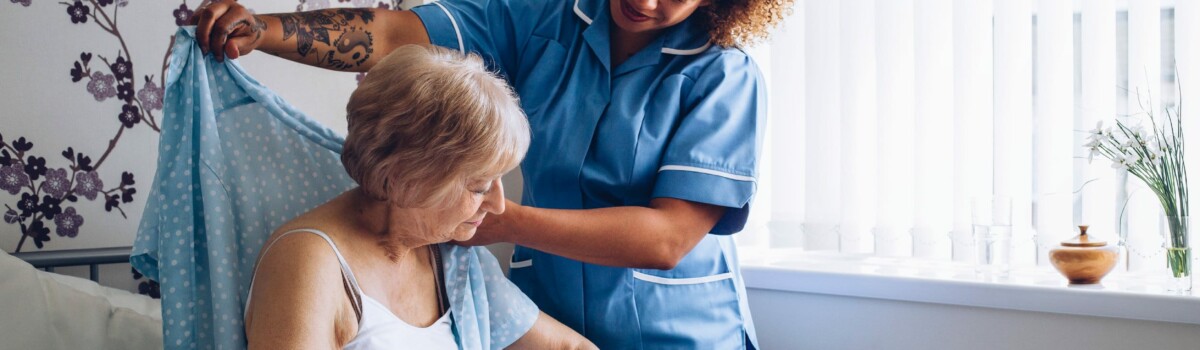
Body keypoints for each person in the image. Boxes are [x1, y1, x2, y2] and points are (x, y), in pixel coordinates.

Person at [197, 0, 791, 347]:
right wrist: (261, 31)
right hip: (550, 311)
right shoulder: (544, 20)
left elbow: (666, 239)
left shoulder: (724, 77)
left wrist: (497, 215)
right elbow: (396, 33)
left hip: (678, 333)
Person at [243, 44, 595, 349]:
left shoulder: (453, 258)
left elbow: (568, 346)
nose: (498, 205)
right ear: (406, 178)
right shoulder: (310, 264)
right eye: (479, 187)